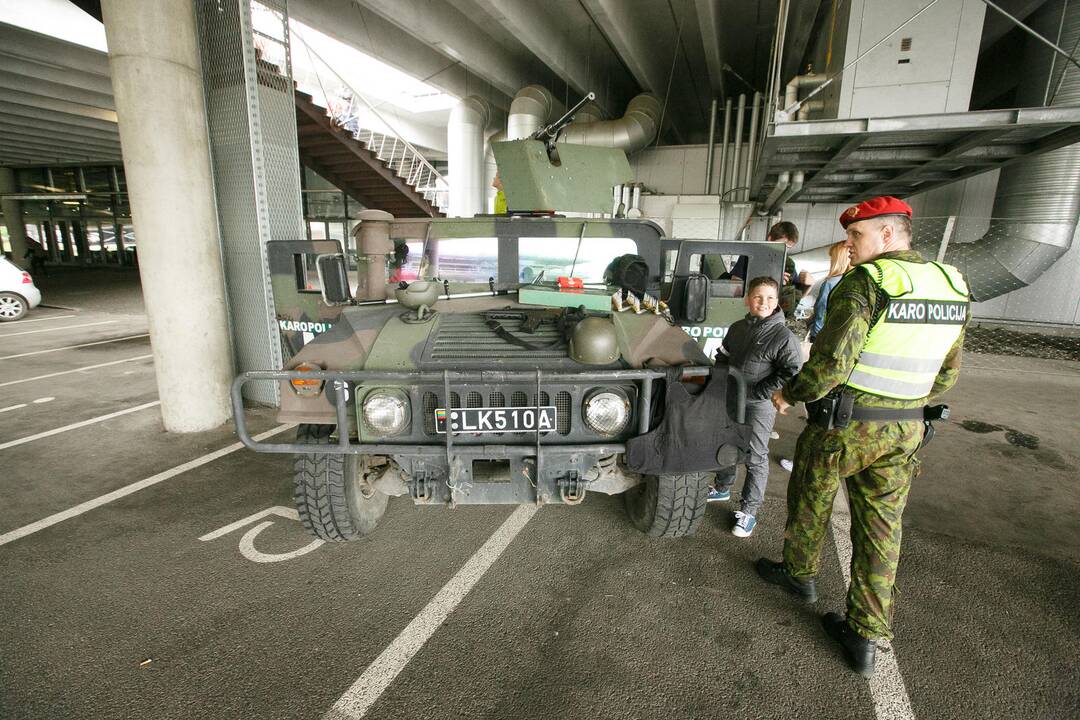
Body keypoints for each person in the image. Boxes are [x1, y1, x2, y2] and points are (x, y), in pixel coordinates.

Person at [756, 196, 970, 678]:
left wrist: (791, 393)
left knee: (811, 497)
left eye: (857, 236)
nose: (848, 246)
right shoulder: (952, 284)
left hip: (846, 426)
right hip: (907, 428)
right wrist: (908, 404)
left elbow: (831, 364)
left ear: (888, 235)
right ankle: (866, 632)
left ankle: (799, 576)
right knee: (881, 527)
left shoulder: (869, 282)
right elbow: (948, 373)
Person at [707, 276, 803, 538]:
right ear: (748, 299)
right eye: (758, 297)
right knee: (726, 444)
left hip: (758, 405)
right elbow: (723, 356)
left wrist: (761, 392)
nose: (763, 302)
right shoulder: (738, 327)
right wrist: (717, 382)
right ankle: (723, 486)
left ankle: (749, 511)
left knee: (755, 456)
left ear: (777, 302)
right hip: (731, 397)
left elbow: (792, 370)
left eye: (770, 298)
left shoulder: (783, 336)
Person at [808, 241, 852, 341]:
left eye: (832, 257)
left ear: (837, 259)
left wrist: (815, 335)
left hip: (824, 336)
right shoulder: (855, 281)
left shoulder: (830, 283)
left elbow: (822, 311)